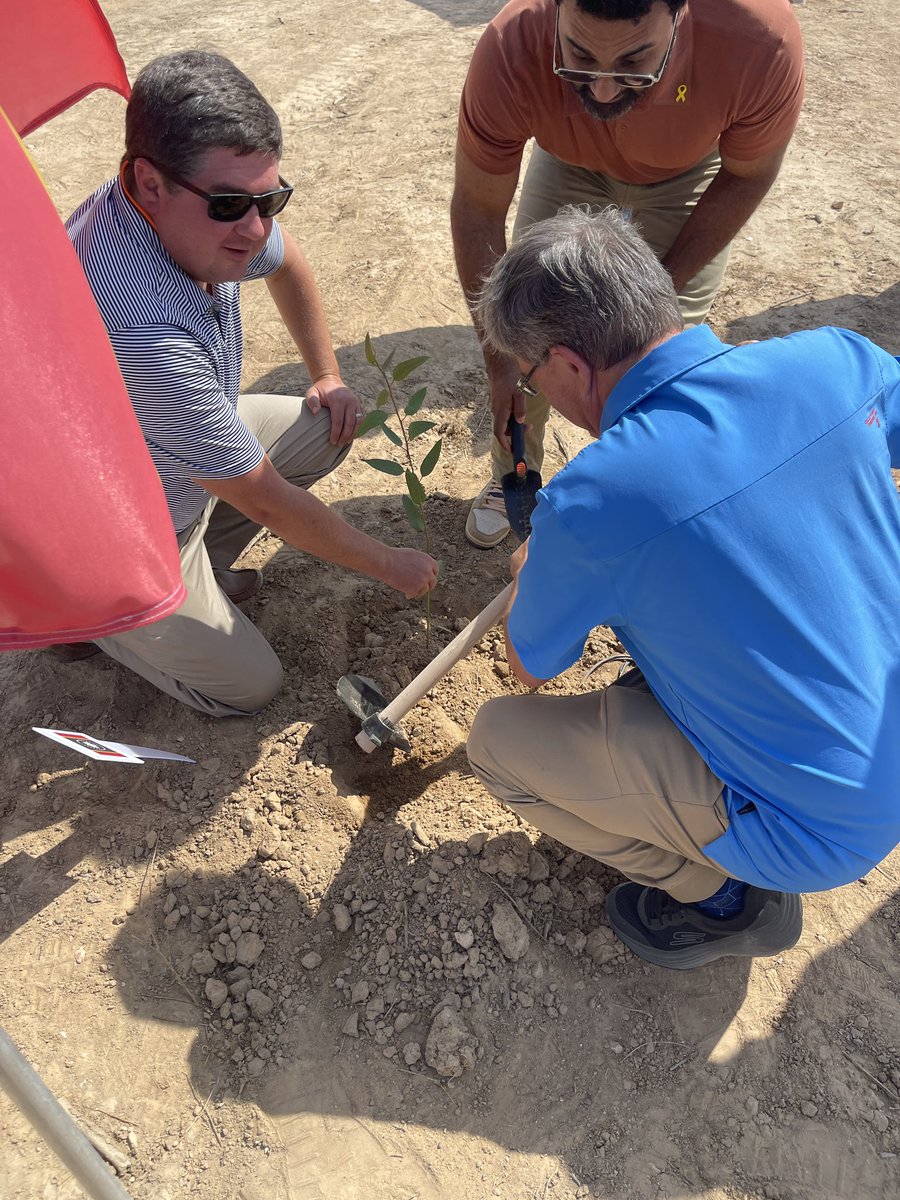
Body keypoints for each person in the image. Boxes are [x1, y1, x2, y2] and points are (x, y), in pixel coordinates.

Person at [466, 206, 900, 970]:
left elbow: (528, 666)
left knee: (498, 742)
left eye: (533, 378)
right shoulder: (833, 361)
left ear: (569, 365)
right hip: (874, 745)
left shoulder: (593, 502)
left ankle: (724, 897)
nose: (542, 395)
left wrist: (534, 568)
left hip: (819, 832)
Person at [64, 50, 438, 716]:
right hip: (114, 530)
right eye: (233, 204)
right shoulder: (146, 337)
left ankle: (196, 570)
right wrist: (390, 564)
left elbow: (286, 260)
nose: (257, 227)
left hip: (155, 464)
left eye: (270, 199)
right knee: (248, 687)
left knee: (325, 425)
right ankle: (96, 617)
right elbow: (270, 503)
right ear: (149, 182)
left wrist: (326, 375)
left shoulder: (180, 212)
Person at [453, 0, 804, 547]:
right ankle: (514, 475)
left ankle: (640, 495)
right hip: (569, 159)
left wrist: (654, 290)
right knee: (530, 332)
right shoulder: (511, 46)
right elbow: (477, 209)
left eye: (635, 62)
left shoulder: (759, 40)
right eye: (578, 57)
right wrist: (502, 364)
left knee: (652, 360)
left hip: (685, 170)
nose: (603, 91)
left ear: (680, 14)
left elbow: (748, 174)